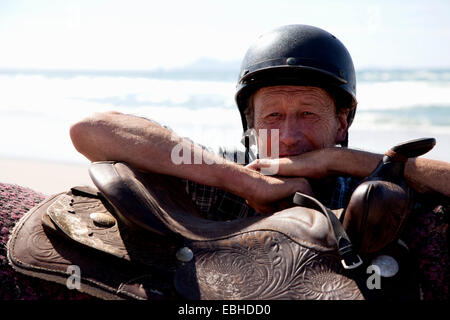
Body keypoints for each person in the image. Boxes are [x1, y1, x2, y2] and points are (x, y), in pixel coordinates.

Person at [1, 24, 448, 300]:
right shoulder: (224, 172)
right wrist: (247, 184)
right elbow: (91, 130)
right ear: (250, 124)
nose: (290, 135)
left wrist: (342, 160)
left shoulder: (367, 181)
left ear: (342, 121)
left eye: (309, 114)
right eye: (273, 116)